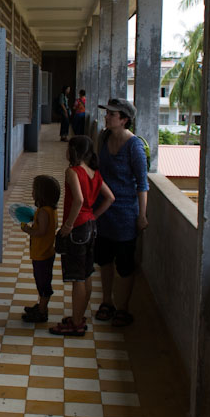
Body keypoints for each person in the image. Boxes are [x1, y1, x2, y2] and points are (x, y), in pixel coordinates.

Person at [50, 136, 114, 336]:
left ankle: (76, 323)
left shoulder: (73, 172)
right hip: (91, 226)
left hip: (77, 229)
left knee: (77, 278)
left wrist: (68, 225)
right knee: (86, 274)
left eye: (68, 148)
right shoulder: (95, 173)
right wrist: (93, 216)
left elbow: (77, 199)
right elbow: (110, 198)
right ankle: (79, 316)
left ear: (74, 151)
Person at [94, 98, 149, 327]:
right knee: (104, 260)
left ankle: (123, 308)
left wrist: (142, 215)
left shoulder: (134, 146)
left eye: (111, 115)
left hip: (126, 213)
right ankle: (107, 302)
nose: (107, 117)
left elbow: (142, 183)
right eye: (107, 113)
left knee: (125, 264)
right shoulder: (104, 137)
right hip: (104, 210)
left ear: (124, 120)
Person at [20, 175, 62, 323]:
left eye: (34, 190)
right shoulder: (51, 210)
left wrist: (28, 230)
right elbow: (52, 227)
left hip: (42, 254)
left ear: (41, 194)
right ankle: (41, 307)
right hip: (47, 252)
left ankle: (42, 312)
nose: (32, 192)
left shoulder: (43, 211)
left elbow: (41, 231)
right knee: (42, 281)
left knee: (43, 284)